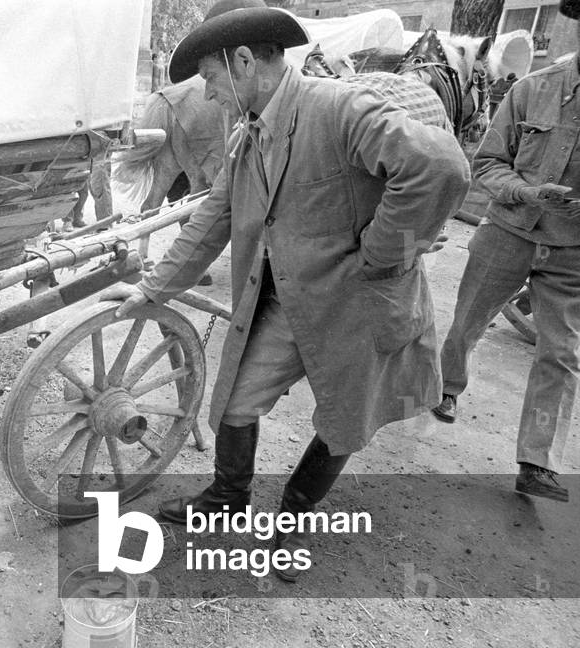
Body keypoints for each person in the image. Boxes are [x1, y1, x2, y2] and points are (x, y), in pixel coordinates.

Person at [101, 5, 470, 580]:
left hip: (357, 303)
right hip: (286, 300)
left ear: (245, 61)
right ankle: (228, 499)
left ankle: (293, 520)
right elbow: (211, 218)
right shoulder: (245, 135)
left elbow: (442, 169)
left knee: (343, 418)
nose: (212, 94)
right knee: (236, 401)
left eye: (212, 79)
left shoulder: (339, 107)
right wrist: (151, 290)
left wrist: (382, 253)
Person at [432, 1, 580, 503]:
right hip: (508, 232)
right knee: (469, 319)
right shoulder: (531, 89)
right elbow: (489, 165)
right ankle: (446, 385)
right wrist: (528, 192)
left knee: (561, 353)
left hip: (571, 253)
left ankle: (537, 464)